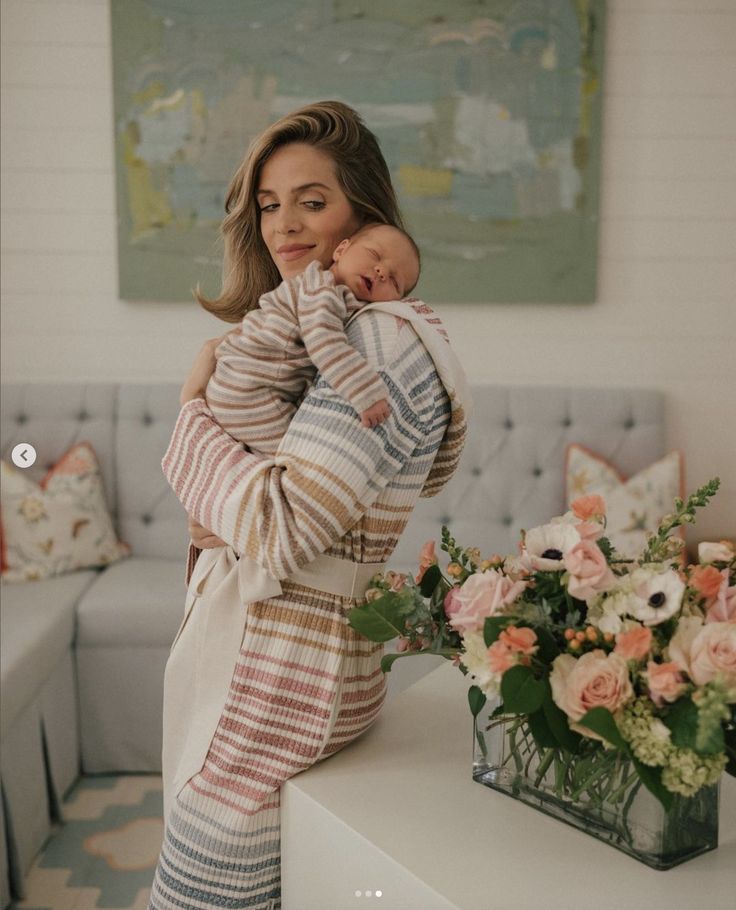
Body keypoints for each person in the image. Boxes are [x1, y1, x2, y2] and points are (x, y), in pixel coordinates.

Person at [149, 101, 470, 910]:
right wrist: (217, 517)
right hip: (271, 660)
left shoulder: (380, 344)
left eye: (312, 201)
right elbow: (244, 514)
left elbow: (281, 531)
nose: (283, 225)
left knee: (201, 890)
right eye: (268, 204)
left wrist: (190, 413)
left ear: (362, 211)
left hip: (278, 678)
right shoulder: (324, 334)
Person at [206, 222, 422, 449]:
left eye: (395, 282)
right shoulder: (320, 289)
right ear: (341, 251)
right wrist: (366, 393)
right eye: (374, 254)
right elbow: (324, 342)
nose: (383, 272)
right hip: (248, 390)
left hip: (247, 385)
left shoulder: (344, 298)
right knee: (297, 454)